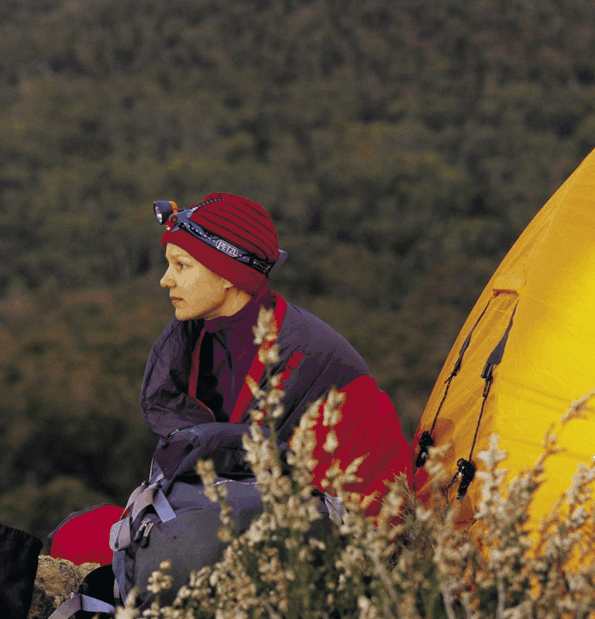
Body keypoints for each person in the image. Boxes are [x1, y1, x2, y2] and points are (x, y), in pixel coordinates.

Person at [48, 193, 413, 567]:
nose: (164, 280)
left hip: (322, 543)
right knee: (75, 535)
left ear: (227, 274)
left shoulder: (309, 358)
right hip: (238, 515)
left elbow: (351, 501)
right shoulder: (200, 338)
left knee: (97, 545)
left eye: (182, 265)